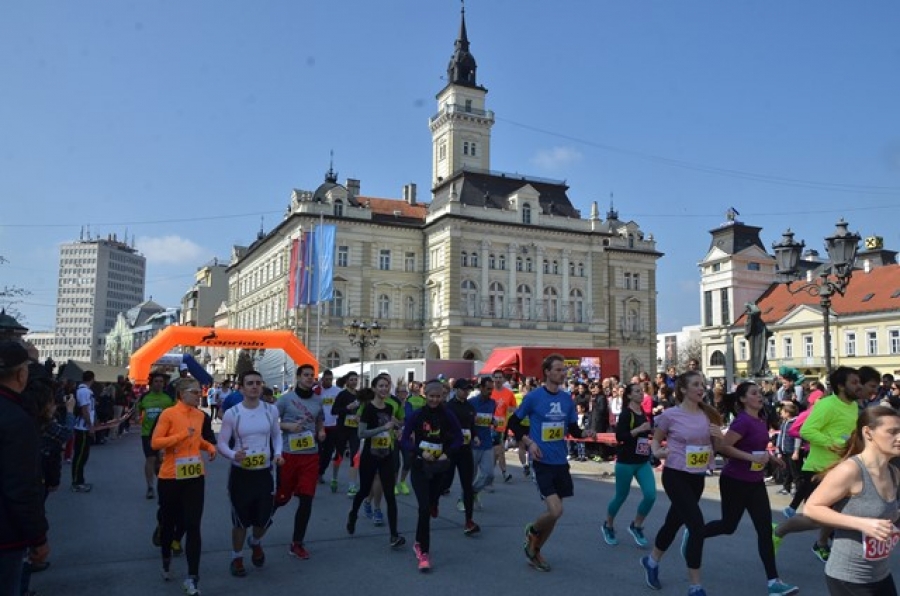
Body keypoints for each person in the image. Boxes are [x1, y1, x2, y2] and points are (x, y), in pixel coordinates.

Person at [703, 382, 799, 595]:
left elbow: (756, 447)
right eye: (754, 393)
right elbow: (723, 447)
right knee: (728, 526)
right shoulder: (742, 421)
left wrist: (771, 458)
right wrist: (751, 458)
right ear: (743, 399)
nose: (759, 396)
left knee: (765, 531)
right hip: (734, 481)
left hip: (755, 482)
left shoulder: (760, 420)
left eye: (760, 393)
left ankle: (774, 582)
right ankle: (695, 533)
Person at [508, 354, 596, 572]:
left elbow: (573, 430)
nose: (562, 373)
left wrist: (586, 433)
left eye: (563, 369)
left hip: (560, 461)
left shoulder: (567, 399)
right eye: (557, 369)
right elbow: (514, 423)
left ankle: (535, 551)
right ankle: (532, 530)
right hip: (541, 461)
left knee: (554, 515)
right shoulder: (534, 397)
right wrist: (529, 443)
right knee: (556, 511)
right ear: (547, 372)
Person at [640, 370, 723, 596]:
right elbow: (656, 440)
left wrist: (719, 436)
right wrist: (657, 452)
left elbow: (716, 448)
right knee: (697, 527)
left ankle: (651, 561)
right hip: (675, 475)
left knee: (673, 523)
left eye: (702, 384)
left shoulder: (709, 414)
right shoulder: (670, 415)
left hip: (697, 477)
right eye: (696, 384)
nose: (701, 388)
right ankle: (695, 586)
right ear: (683, 389)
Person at [804, 406, 900, 595]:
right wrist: (862, 524)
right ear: (868, 433)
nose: (899, 438)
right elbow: (811, 508)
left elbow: (887, 516)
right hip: (848, 577)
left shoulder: (893, 473)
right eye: (892, 432)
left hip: (880, 574)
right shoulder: (850, 470)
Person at [775, 366, 863, 562]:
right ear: (841, 386)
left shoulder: (853, 406)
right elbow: (806, 430)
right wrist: (833, 444)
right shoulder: (827, 404)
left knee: (837, 512)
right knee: (816, 518)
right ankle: (779, 530)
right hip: (819, 468)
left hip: (842, 467)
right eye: (854, 382)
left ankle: (821, 544)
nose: (859, 386)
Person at [151, 377, 217, 596]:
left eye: (200, 391)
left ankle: (192, 578)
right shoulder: (168, 414)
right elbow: (156, 442)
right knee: (169, 522)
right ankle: (166, 559)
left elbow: (196, 440)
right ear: (182, 394)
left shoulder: (200, 416)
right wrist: (181, 435)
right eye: (195, 392)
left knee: (193, 525)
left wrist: (209, 447)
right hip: (170, 477)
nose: (199, 395)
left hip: (194, 475)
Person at [217, 370, 283, 577]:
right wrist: (232, 454)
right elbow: (221, 443)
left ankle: (255, 542)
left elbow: (277, 435)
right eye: (250, 383)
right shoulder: (233, 413)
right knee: (240, 521)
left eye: (258, 383)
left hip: (264, 473)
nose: (254, 386)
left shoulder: (271, 410)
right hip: (241, 475)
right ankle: (237, 557)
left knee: (263, 519)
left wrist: (278, 454)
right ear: (241, 388)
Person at [0, 341, 49, 596]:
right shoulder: (17, 419)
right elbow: (22, 486)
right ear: (21, 374)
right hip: (6, 534)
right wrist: (38, 537)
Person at [402, 379, 464, 571]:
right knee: (423, 509)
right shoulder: (417, 415)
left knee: (431, 503)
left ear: (443, 396)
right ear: (425, 395)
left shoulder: (448, 415)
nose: (435, 400)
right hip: (420, 466)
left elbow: (459, 438)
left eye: (438, 396)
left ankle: (434, 504)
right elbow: (404, 440)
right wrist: (420, 452)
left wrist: (447, 453)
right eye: (431, 396)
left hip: (439, 466)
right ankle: (423, 552)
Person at [345, 383, 405, 549]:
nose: (384, 389)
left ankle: (394, 535)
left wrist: (396, 430)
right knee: (364, 490)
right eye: (381, 386)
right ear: (375, 389)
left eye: (387, 386)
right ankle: (353, 514)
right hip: (370, 455)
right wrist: (382, 428)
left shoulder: (389, 408)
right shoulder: (368, 409)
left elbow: (391, 427)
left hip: (386, 454)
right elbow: (361, 433)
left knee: (390, 495)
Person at [274, 364, 324, 560]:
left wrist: (321, 430)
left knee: (306, 499)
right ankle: (260, 526)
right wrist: (287, 426)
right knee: (282, 498)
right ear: (298, 377)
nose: (309, 378)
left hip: (310, 455)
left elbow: (319, 419)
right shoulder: (285, 399)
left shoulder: (318, 400)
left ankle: (297, 543)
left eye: (312, 375)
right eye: (306, 375)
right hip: (289, 455)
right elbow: (271, 422)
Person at [601, 382, 656, 548]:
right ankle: (608, 525)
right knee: (621, 496)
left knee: (651, 495)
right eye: (637, 391)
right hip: (626, 462)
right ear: (629, 395)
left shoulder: (643, 412)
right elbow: (620, 436)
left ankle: (636, 525)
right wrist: (639, 429)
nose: (641, 393)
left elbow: (644, 435)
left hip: (642, 461)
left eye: (642, 391)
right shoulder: (626, 413)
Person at [444, 378, 480, 535]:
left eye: (468, 390)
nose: (466, 392)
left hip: (465, 451)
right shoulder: (448, 407)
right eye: (464, 389)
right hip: (451, 450)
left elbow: (471, 426)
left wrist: (475, 436)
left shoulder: (470, 407)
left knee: (467, 486)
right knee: (446, 483)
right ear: (456, 390)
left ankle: (469, 521)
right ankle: (432, 502)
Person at [138, 372, 175, 500]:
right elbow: (138, 410)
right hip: (147, 434)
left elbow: (176, 413)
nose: (159, 384)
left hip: (164, 434)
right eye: (156, 381)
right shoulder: (144, 397)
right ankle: (150, 487)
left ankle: (163, 482)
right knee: (150, 459)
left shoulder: (169, 398)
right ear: (151, 383)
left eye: (161, 382)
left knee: (160, 461)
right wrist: (138, 417)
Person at [331, 371, 362, 497]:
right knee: (339, 454)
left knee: (355, 456)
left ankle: (352, 486)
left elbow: (364, 410)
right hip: (342, 429)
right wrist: (347, 408)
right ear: (347, 381)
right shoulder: (342, 394)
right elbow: (334, 411)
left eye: (356, 379)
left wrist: (360, 417)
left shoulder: (359, 395)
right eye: (351, 379)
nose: (354, 382)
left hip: (355, 429)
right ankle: (334, 478)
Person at [469, 376, 497, 509]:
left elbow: (490, 418)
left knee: (489, 474)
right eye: (488, 389)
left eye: (492, 389)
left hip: (487, 442)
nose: (490, 392)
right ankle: (464, 498)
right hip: (473, 443)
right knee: (471, 474)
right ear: (481, 388)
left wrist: (493, 421)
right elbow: (466, 420)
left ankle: (472, 492)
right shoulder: (472, 402)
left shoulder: (492, 403)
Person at [316, 370, 342, 493]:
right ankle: (314, 472)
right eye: (326, 379)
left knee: (328, 452)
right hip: (319, 425)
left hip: (333, 426)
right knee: (318, 451)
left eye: (330, 379)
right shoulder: (317, 390)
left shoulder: (337, 391)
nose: (328, 381)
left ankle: (320, 472)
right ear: (322, 379)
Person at [490, 369, 517, 483]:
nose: (498, 379)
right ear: (493, 379)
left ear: (503, 379)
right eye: (496, 377)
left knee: (498, 451)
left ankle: (490, 473)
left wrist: (509, 409)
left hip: (502, 426)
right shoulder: (489, 391)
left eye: (500, 377)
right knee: (498, 450)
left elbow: (514, 407)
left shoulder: (508, 393)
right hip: (489, 426)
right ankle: (502, 472)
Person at [71, 370, 96, 492]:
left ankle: (79, 480)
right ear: (92, 378)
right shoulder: (84, 391)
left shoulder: (84, 391)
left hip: (83, 426)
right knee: (80, 455)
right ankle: (77, 482)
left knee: (83, 455)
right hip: (82, 427)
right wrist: (90, 425)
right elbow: (85, 409)